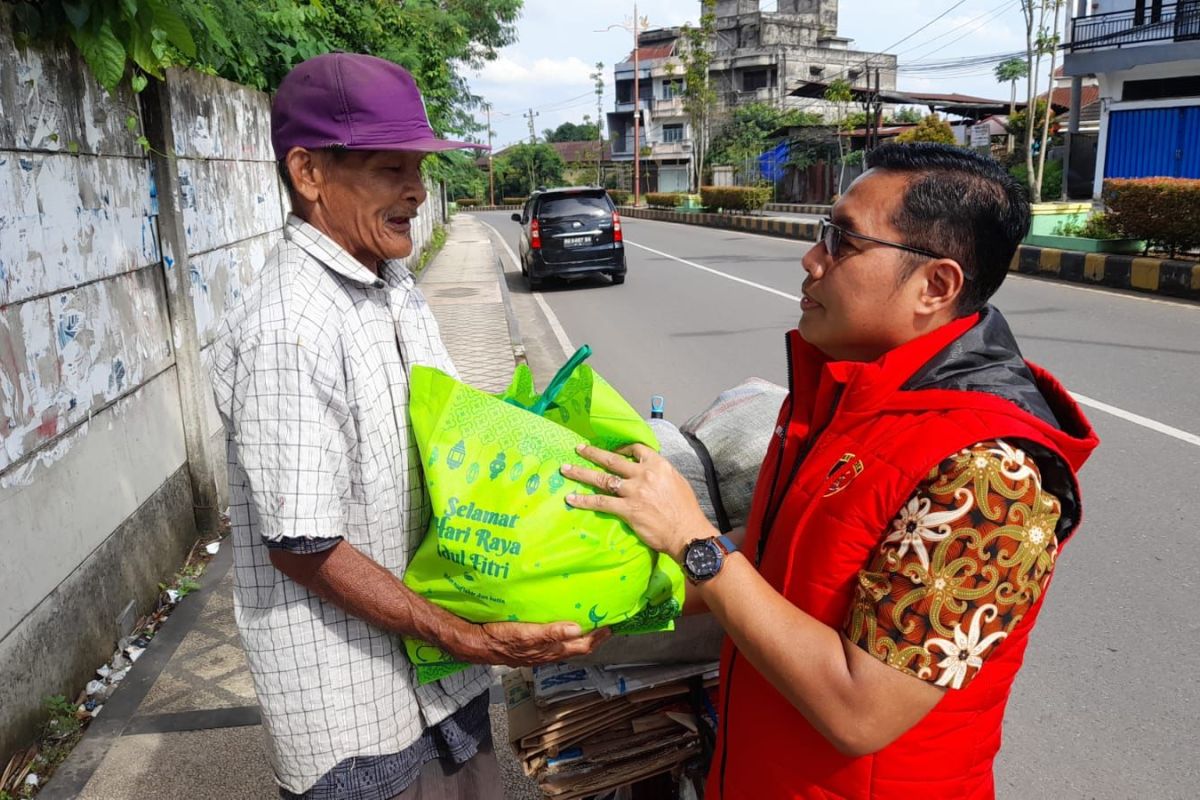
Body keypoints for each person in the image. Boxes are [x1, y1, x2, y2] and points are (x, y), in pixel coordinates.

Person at [562, 142, 1099, 799]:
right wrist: (613, 612)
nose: (811, 259)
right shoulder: (843, 398)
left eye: (842, 241)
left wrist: (690, 538)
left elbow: (860, 709)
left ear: (936, 286)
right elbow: (761, 561)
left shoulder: (993, 474)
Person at [210, 53, 607, 800]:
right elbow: (304, 545)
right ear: (309, 173)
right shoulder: (288, 325)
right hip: (354, 699)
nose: (417, 190)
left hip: (440, 680)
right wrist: (466, 636)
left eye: (418, 166)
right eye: (391, 168)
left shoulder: (391, 287)